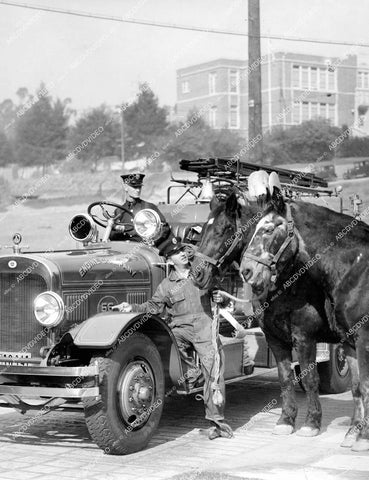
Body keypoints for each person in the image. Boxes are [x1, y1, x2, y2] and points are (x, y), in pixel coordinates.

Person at [113, 236, 233, 440]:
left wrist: (220, 297)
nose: (184, 254)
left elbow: (219, 294)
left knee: (214, 368)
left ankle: (217, 422)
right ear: (170, 260)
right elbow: (153, 307)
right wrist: (130, 307)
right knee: (168, 347)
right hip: (180, 327)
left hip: (204, 325)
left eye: (184, 251)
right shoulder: (167, 285)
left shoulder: (201, 275)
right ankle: (194, 375)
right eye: (178, 253)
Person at [109, 172, 172, 247]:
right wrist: (117, 229)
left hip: (144, 249)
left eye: (139, 187)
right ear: (125, 187)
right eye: (134, 187)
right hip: (124, 249)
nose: (138, 190)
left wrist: (153, 242)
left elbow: (164, 228)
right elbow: (112, 235)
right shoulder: (119, 211)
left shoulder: (149, 207)